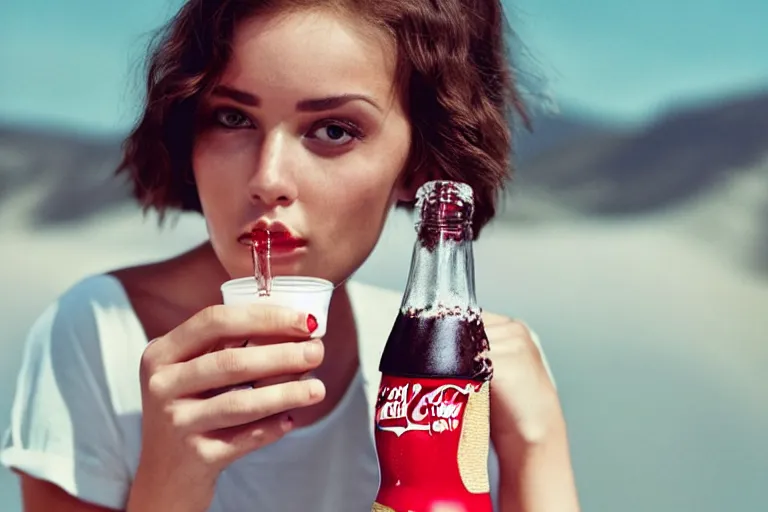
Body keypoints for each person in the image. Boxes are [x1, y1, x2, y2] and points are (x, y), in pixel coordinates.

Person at [0, 0, 580, 510]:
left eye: (332, 130)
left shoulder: (460, 377)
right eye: (231, 118)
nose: (268, 179)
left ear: (422, 162)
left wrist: (536, 449)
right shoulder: (100, 335)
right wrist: (169, 483)